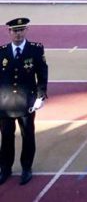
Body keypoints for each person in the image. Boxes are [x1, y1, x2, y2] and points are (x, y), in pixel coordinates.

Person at [0, 18, 47, 186]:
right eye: (15, 30)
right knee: (6, 135)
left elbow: (42, 73)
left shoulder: (35, 50)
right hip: (5, 102)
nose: (18, 33)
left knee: (27, 135)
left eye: (21, 30)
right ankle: (5, 167)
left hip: (26, 101)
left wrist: (41, 96)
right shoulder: (2, 52)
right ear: (9, 32)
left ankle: (26, 167)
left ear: (26, 30)